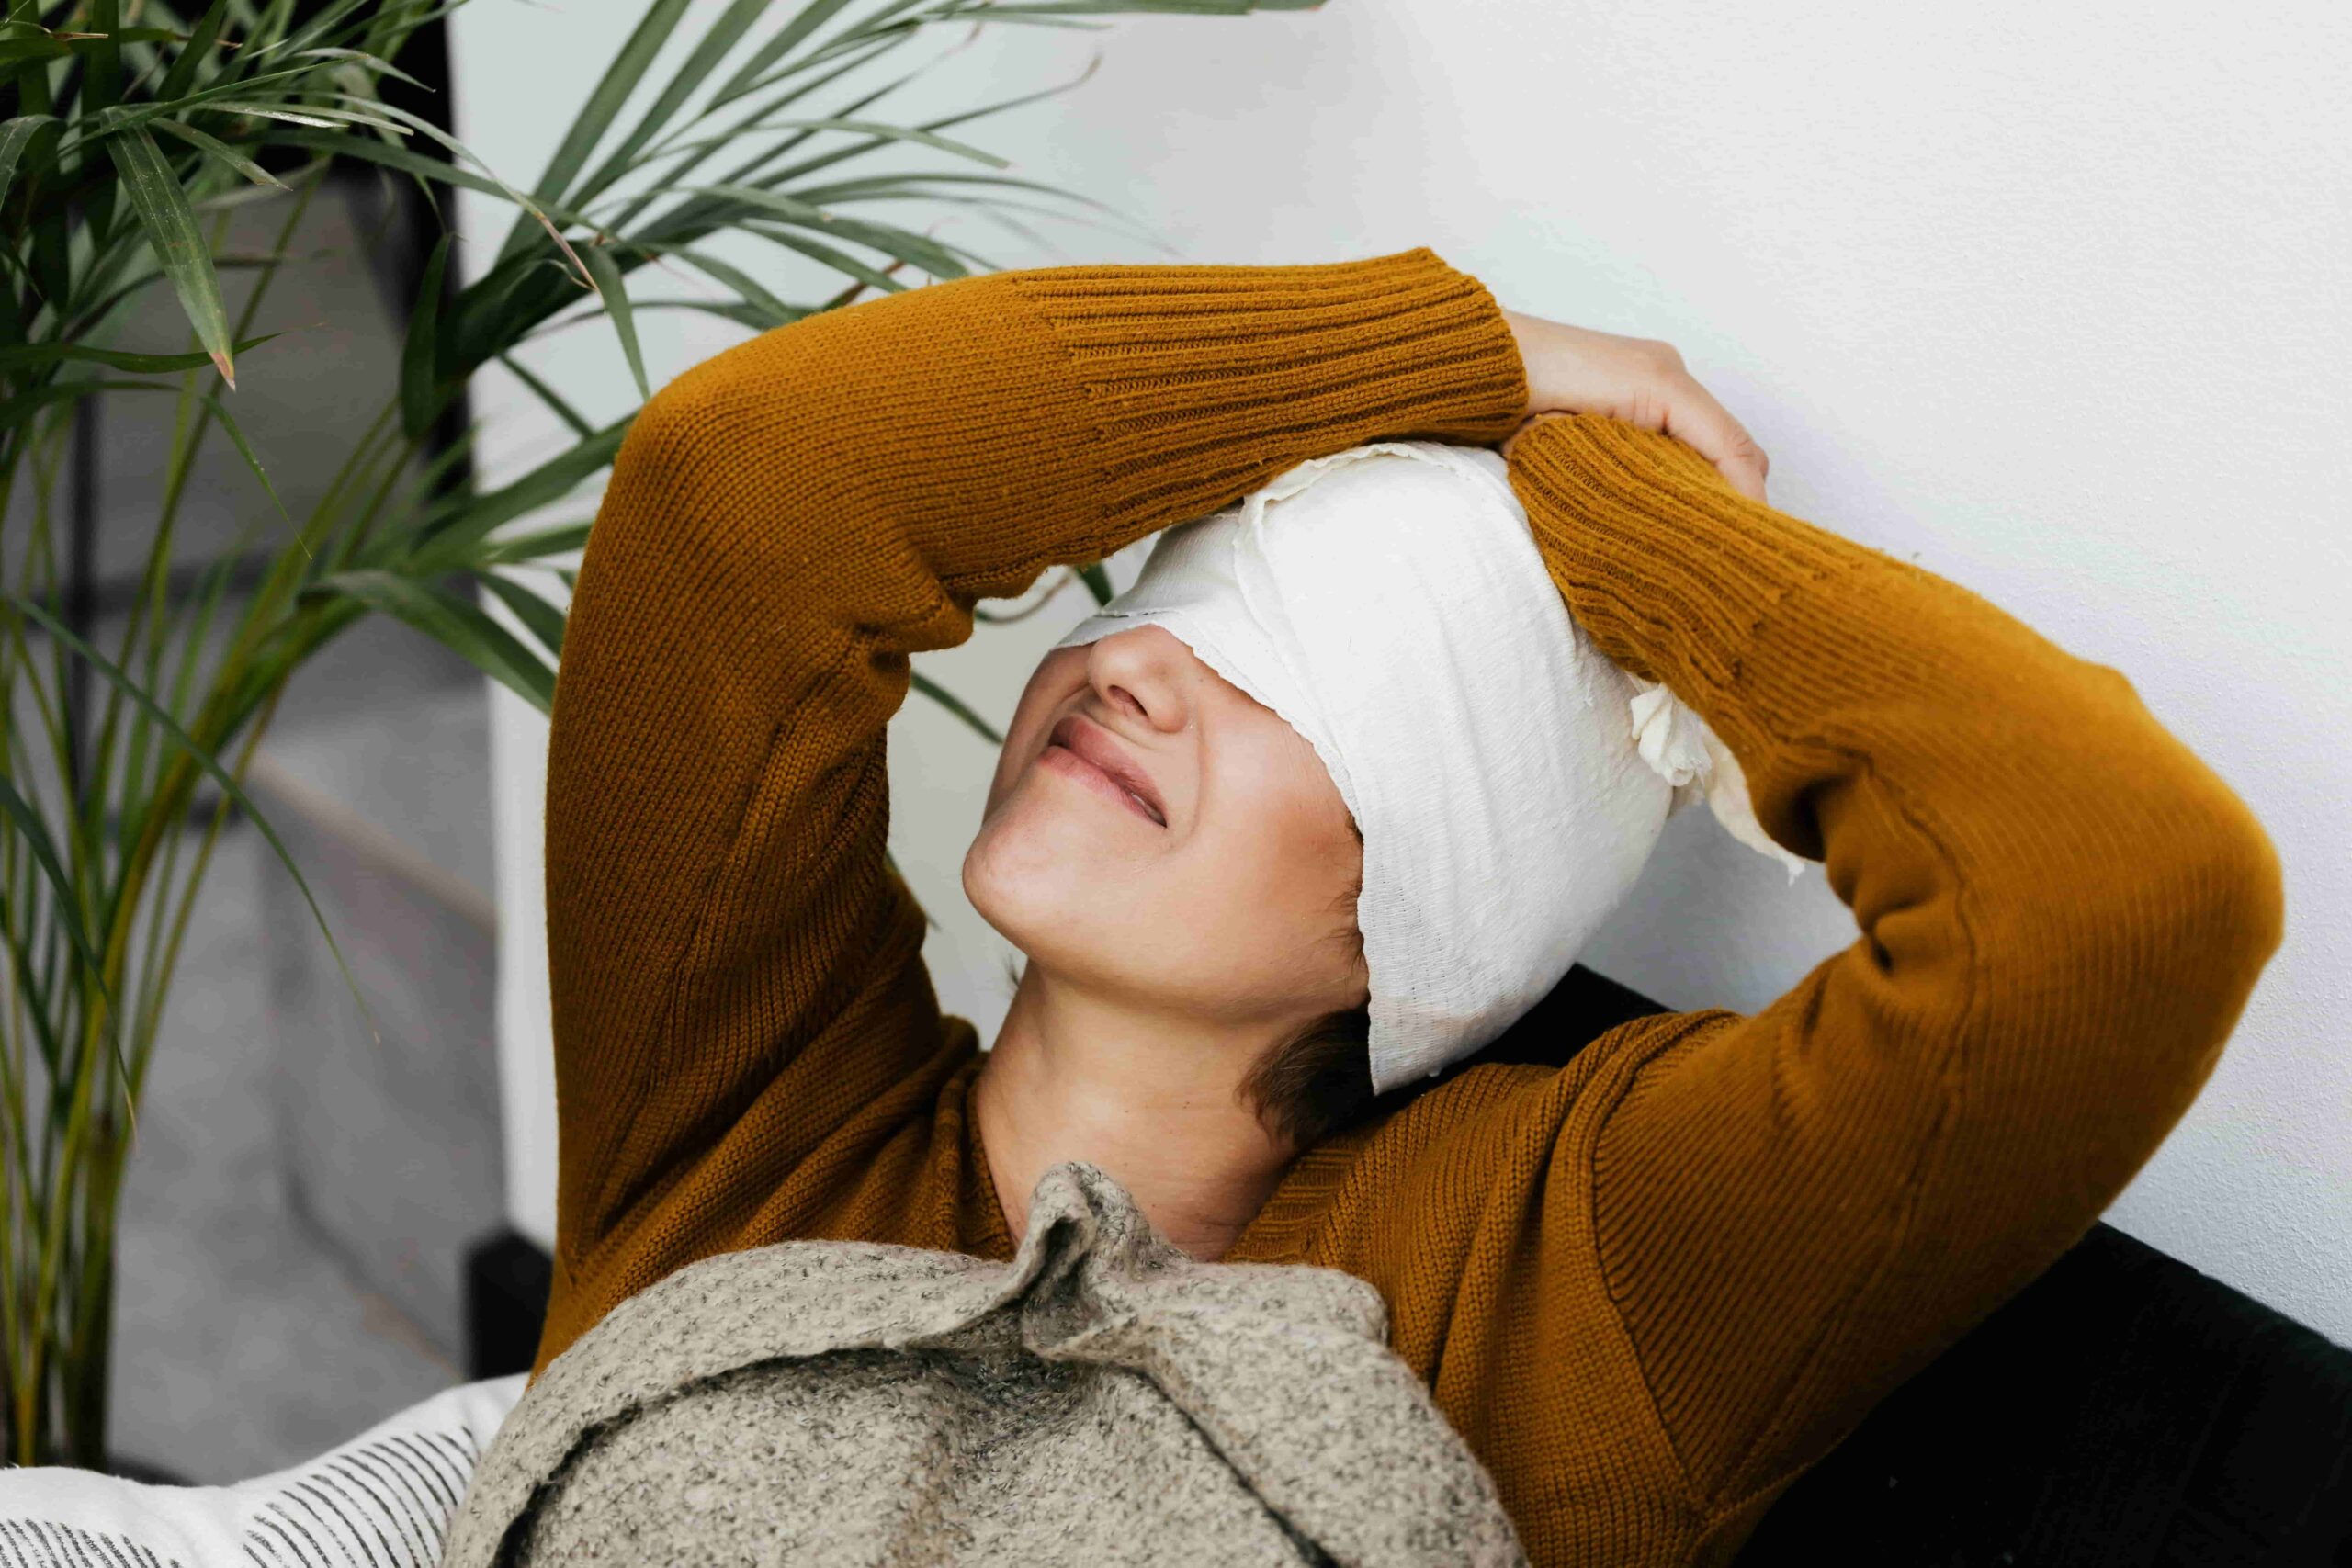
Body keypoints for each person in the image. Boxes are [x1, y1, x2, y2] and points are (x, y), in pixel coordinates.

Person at [526, 248, 2281, 1564]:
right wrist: (1481, 355)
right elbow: (745, 486)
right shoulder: (749, 1114)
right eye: (1164, 604)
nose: (1133, 664)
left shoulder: (1540, 1302)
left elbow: (2121, 891)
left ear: (1444, 902)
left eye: (1290, 676)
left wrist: (1616, 515)